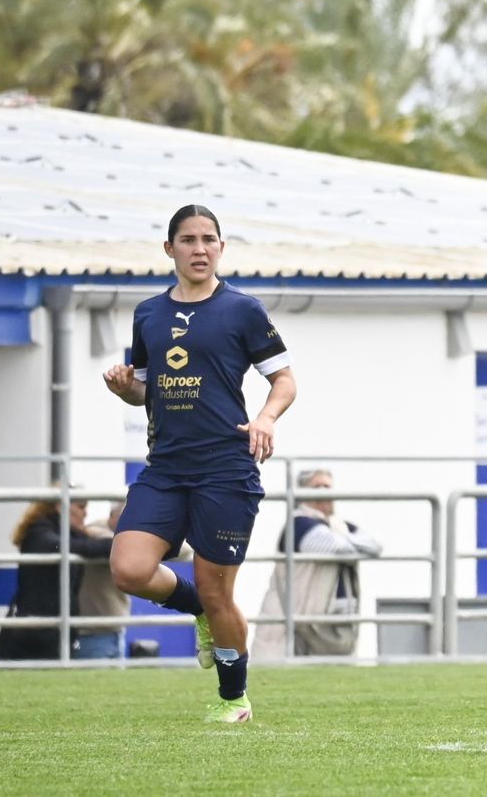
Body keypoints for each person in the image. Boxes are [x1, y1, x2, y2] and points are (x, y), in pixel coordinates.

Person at [102, 204, 296, 723]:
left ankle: (233, 698)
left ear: (221, 248)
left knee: (218, 588)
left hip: (226, 469)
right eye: (187, 240)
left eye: (209, 239)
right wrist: (127, 389)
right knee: (129, 568)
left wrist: (267, 419)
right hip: (165, 468)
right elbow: (147, 392)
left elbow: (285, 381)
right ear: (170, 249)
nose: (199, 249)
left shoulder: (243, 309)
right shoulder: (148, 313)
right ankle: (198, 611)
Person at [255, 468, 382, 658]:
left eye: (327, 486)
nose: (324, 491)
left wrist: (344, 540)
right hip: (295, 624)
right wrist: (350, 543)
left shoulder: (340, 526)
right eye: (317, 486)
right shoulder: (298, 525)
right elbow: (337, 548)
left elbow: (374, 546)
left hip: (330, 621)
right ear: (303, 492)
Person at [0, 496, 113, 660]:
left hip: (57, 630)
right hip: (30, 633)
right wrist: (113, 543)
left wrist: (100, 535)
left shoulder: (71, 533)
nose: (86, 513)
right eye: (81, 506)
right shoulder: (39, 530)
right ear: (60, 506)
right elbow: (64, 546)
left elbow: (98, 543)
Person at [74, 502, 128, 659]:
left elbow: (184, 550)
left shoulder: (125, 536)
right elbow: (112, 543)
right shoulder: (93, 531)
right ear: (112, 517)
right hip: (91, 633)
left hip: (116, 629)